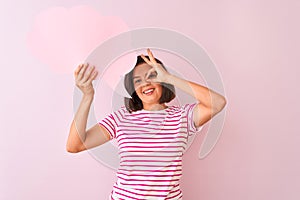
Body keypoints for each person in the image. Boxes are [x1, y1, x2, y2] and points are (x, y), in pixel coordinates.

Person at [66, 48, 227, 199]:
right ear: (133, 89)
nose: (145, 83)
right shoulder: (121, 118)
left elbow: (217, 103)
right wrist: (87, 96)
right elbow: (75, 145)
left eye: (152, 76)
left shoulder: (182, 117)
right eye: (138, 81)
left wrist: (170, 78)